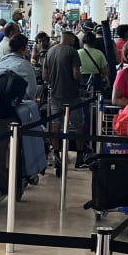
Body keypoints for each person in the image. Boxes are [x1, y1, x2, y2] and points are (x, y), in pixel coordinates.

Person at [43, 31, 86, 168]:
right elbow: (76, 74)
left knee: (56, 125)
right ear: (71, 40)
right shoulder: (73, 52)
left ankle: (56, 154)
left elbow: (45, 76)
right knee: (79, 125)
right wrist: (78, 80)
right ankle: (79, 156)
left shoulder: (50, 52)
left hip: (55, 95)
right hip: (72, 95)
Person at [0, 34, 37, 101]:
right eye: (27, 46)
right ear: (23, 48)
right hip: (17, 103)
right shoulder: (25, 65)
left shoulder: (0, 63)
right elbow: (32, 91)